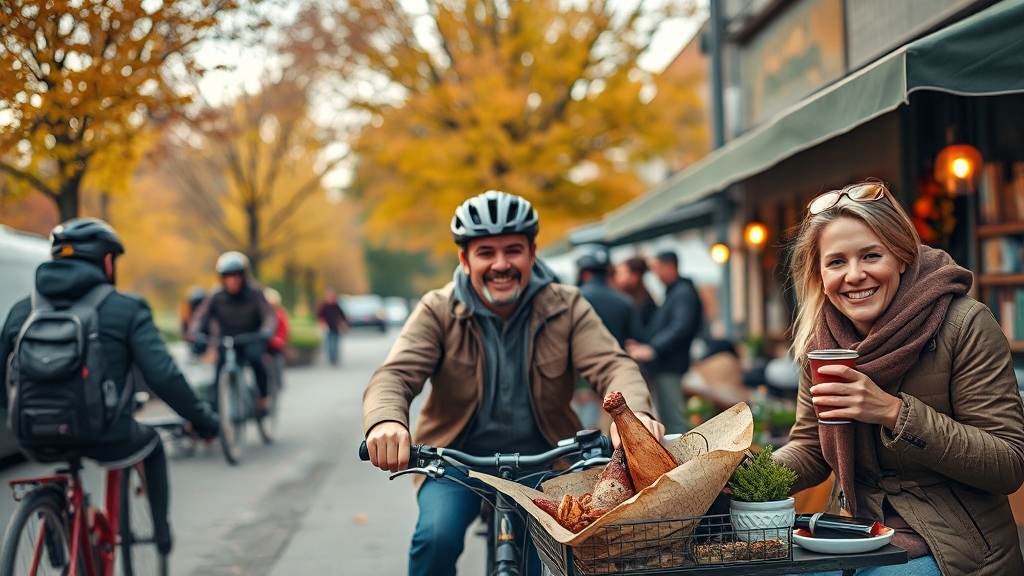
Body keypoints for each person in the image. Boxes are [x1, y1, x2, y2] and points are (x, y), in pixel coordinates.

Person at [362, 190, 664, 576]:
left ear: (532, 253)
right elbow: (395, 374)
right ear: (464, 259)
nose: (500, 264)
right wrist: (386, 420)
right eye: (486, 252)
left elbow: (612, 363)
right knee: (435, 537)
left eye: (513, 250)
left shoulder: (566, 305)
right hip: (455, 462)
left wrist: (633, 418)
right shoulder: (437, 309)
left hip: (546, 461)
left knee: (551, 557)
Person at [772, 181, 1024, 575]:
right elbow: (808, 448)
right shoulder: (822, 341)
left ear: (903, 257)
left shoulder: (964, 324)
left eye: (871, 255)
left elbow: (1007, 464)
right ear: (819, 274)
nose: (854, 275)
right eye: (836, 262)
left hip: (957, 547)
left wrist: (892, 413)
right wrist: (735, 479)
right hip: (859, 534)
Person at [0, 218, 220, 555]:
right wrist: (204, 420)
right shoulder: (125, 308)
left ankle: (59, 527)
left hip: (32, 435)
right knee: (151, 445)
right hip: (105, 435)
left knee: (64, 456)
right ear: (106, 261)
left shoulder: (21, 310)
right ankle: (162, 537)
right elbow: (164, 377)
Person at [187, 251, 277, 414]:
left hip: (251, 338)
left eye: (237, 276)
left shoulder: (255, 293)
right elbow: (201, 316)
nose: (233, 280)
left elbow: (268, 315)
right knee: (219, 371)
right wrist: (194, 332)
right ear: (222, 278)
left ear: (243, 276)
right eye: (228, 276)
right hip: (226, 340)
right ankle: (216, 415)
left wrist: (267, 330)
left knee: (257, 360)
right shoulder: (216, 295)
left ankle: (263, 398)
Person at [625, 251, 704, 435]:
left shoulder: (682, 293)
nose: (655, 274)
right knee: (669, 418)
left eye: (657, 268)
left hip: (670, 364)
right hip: (666, 363)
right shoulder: (675, 292)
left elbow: (680, 327)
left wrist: (653, 348)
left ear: (669, 267)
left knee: (673, 421)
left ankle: (682, 461)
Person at [613, 256, 658, 327]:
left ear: (635, 276)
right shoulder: (627, 300)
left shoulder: (645, 306)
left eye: (621, 273)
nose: (617, 278)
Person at [264, 287, 290, 388]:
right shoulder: (264, 313)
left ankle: (278, 384)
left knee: (278, 363)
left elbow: (284, 329)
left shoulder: (280, 313)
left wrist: (279, 339)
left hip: (277, 345)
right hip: (265, 344)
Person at [315, 287, 348, 366]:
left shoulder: (336, 305)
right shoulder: (324, 306)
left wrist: (344, 323)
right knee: (328, 342)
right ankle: (330, 356)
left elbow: (342, 315)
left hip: (335, 326)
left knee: (335, 342)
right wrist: (322, 323)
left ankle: (335, 356)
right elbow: (319, 315)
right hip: (327, 327)